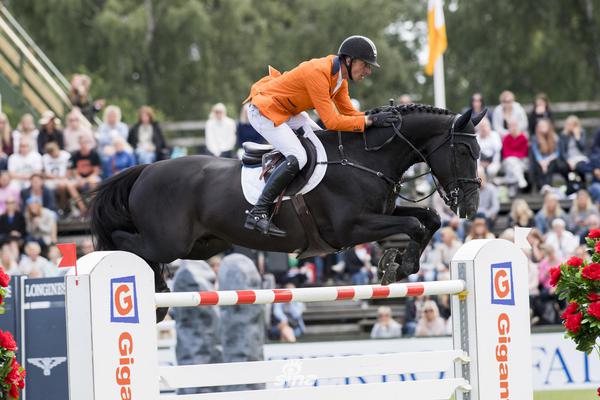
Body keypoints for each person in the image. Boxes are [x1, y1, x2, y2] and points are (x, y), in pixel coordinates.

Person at [243, 35, 399, 236]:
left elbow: (350, 114)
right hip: (264, 110)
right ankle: (258, 211)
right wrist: (370, 121)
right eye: (366, 65)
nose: (368, 71)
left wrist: (374, 116)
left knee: (325, 146)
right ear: (349, 60)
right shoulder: (318, 72)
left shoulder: (340, 79)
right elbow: (332, 122)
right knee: (299, 156)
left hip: (287, 110)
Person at [43, 142, 86, 215]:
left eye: (54, 152)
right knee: (55, 186)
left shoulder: (66, 155)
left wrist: (59, 177)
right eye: (51, 153)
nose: (53, 154)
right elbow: (45, 173)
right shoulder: (45, 157)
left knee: (63, 185)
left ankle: (66, 206)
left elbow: (69, 171)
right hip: (51, 181)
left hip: (65, 179)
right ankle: (64, 207)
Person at [530, 119, 567, 191]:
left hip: (552, 161)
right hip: (540, 162)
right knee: (538, 166)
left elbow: (557, 153)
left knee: (551, 164)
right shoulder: (535, 138)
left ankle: (547, 186)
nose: (542, 128)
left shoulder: (555, 138)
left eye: (544, 126)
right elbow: (535, 152)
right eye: (540, 126)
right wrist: (542, 161)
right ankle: (542, 187)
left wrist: (547, 160)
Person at [559, 115, 589, 189]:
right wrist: (568, 160)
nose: (570, 126)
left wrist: (577, 136)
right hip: (569, 158)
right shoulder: (563, 135)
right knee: (563, 167)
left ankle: (583, 186)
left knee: (580, 167)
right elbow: (562, 151)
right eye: (568, 124)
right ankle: (570, 186)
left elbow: (583, 148)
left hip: (580, 157)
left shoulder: (582, 132)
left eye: (572, 124)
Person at [500, 119, 529, 192]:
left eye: (514, 126)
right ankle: (520, 179)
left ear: (517, 126)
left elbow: (524, 153)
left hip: (521, 161)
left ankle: (511, 188)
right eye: (510, 126)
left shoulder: (523, 137)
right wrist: (515, 155)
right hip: (508, 161)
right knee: (511, 162)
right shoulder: (506, 138)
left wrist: (513, 155)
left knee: (512, 164)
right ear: (508, 127)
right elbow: (505, 153)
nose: (513, 128)